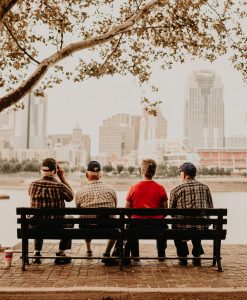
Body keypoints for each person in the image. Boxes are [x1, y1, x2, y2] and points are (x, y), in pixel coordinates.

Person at [29, 158, 74, 265]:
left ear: (41, 170)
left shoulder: (32, 185)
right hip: (57, 226)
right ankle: (61, 253)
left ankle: (37, 252)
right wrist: (62, 177)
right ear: (55, 171)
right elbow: (71, 197)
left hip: (36, 227)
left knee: (37, 219)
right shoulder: (60, 186)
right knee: (71, 218)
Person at [169, 162, 214, 266]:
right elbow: (210, 208)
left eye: (180, 172)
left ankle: (183, 256)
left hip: (182, 228)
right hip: (201, 228)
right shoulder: (205, 188)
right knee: (199, 224)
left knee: (176, 225)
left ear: (184, 174)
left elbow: (171, 211)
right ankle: (197, 254)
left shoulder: (176, 190)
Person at [125, 159, 168, 262]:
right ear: (154, 172)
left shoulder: (133, 188)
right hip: (157, 227)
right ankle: (161, 255)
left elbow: (127, 210)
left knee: (130, 225)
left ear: (142, 170)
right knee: (163, 225)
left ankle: (135, 256)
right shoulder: (160, 188)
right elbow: (165, 211)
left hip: (136, 226)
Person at [75, 161, 117, 262]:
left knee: (84, 218)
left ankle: (89, 249)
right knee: (116, 223)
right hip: (107, 228)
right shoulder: (111, 189)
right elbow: (115, 208)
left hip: (86, 228)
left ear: (86, 174)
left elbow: (78, 210)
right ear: (101, 174)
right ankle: (107, 253)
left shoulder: (80, 191)